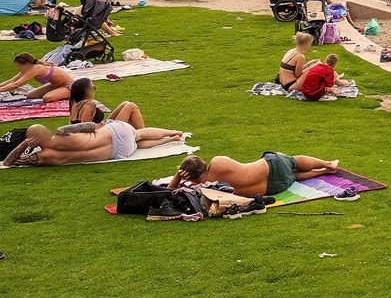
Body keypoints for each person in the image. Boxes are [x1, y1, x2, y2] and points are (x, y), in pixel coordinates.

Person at [1, 121, 186, 167]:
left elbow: (8, 163)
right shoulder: (62, 132)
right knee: (138, 134)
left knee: (137, 143)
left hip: (116, 152)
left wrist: (23, 145)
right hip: (114, 134)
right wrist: (101, 125)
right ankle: (171, 134)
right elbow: (91, 126)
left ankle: (170, 140)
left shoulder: (43, 156)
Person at [173, 151, 339, 195]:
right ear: (203, 163)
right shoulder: (217, 163)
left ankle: (323, 171)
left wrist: (178, 176)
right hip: (271, 166)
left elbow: (168, 193)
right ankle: (328, 164)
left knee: (294, 176)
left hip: (273, 188)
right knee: (293, 161)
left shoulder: (204, 192)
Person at [68, 78, 145, 127]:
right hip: (104, 133)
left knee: (125, 103)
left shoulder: (73, 103)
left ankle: (140, 133)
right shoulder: (89, 105)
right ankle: (142, 133)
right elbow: (85, 129)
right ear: (87, 91)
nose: (94, 90)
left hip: (104, 127)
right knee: (131, 106)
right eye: (93, 88)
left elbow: (71, 124)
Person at [1, 54, 77, 101]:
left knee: (47, 98)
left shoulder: (35, 69)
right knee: (30, 96)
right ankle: (59, 92)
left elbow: (16, 85)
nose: (18, 69)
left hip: (68, 85)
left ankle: (75, 93)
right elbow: (11, 81)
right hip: (56, 85)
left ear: (26, 64)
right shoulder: (28, 69)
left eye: (19, 66)